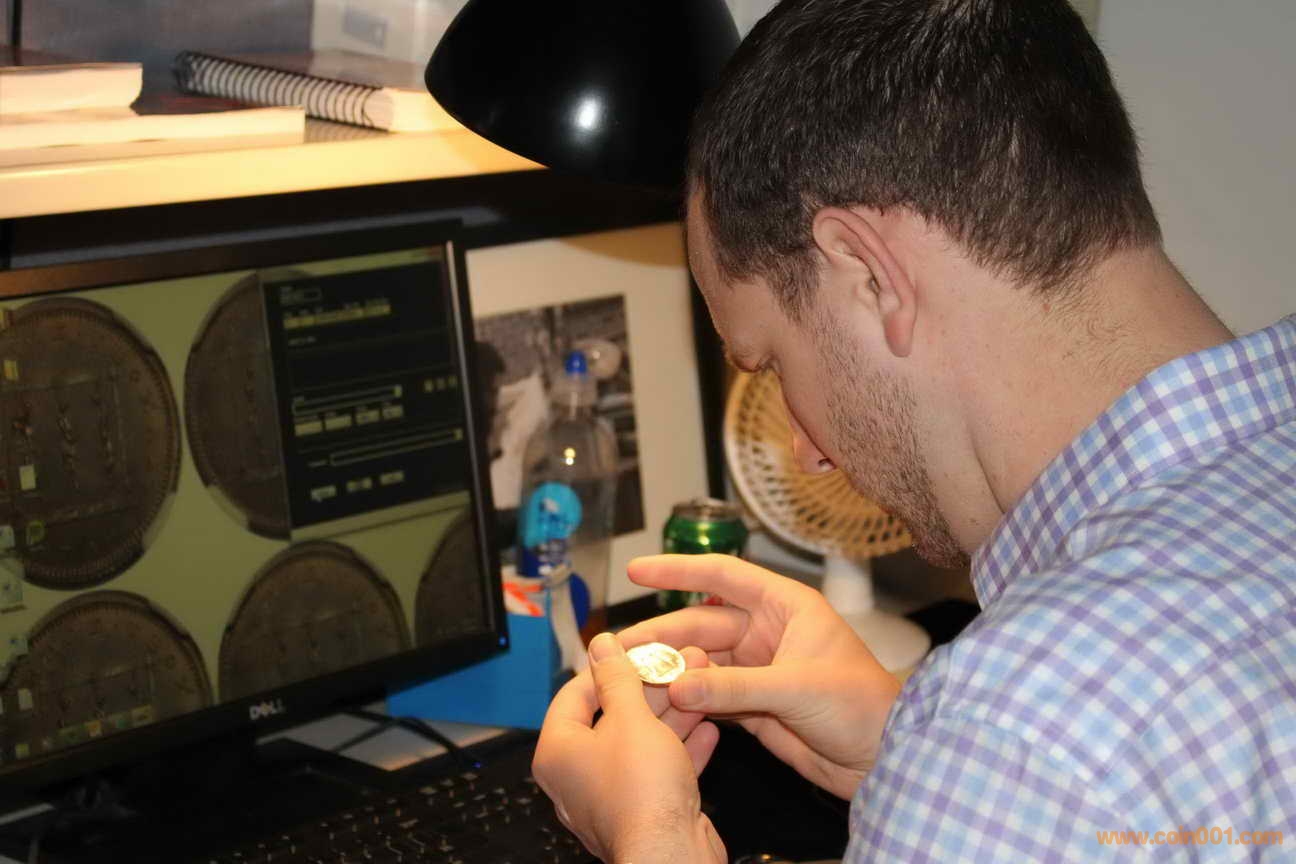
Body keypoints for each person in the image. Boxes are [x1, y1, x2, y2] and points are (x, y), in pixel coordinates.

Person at [532, 0, 1296, 860]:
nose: (808, 454)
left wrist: (651, 838)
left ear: (869, 272)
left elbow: (1051, 766)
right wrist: (910, 753)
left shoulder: (1024, 729)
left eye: (772, 362)